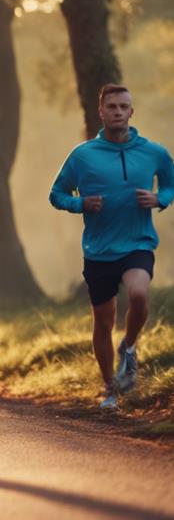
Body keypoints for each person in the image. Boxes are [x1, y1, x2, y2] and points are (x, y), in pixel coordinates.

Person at [49, 84, 173, 410]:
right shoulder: (82, 155)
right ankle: (110, 391)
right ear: (101, 112)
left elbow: (171, 182)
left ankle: (129, 348)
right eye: (112, 107)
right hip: (99, 250)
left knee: (139, 294)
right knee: (103, 323)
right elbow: (57, 194)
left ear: (132, 112)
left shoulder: (154, 152)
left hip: (137, 242)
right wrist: (80, 205)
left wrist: (160, 199)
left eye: (124, 107)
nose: (118, 112)